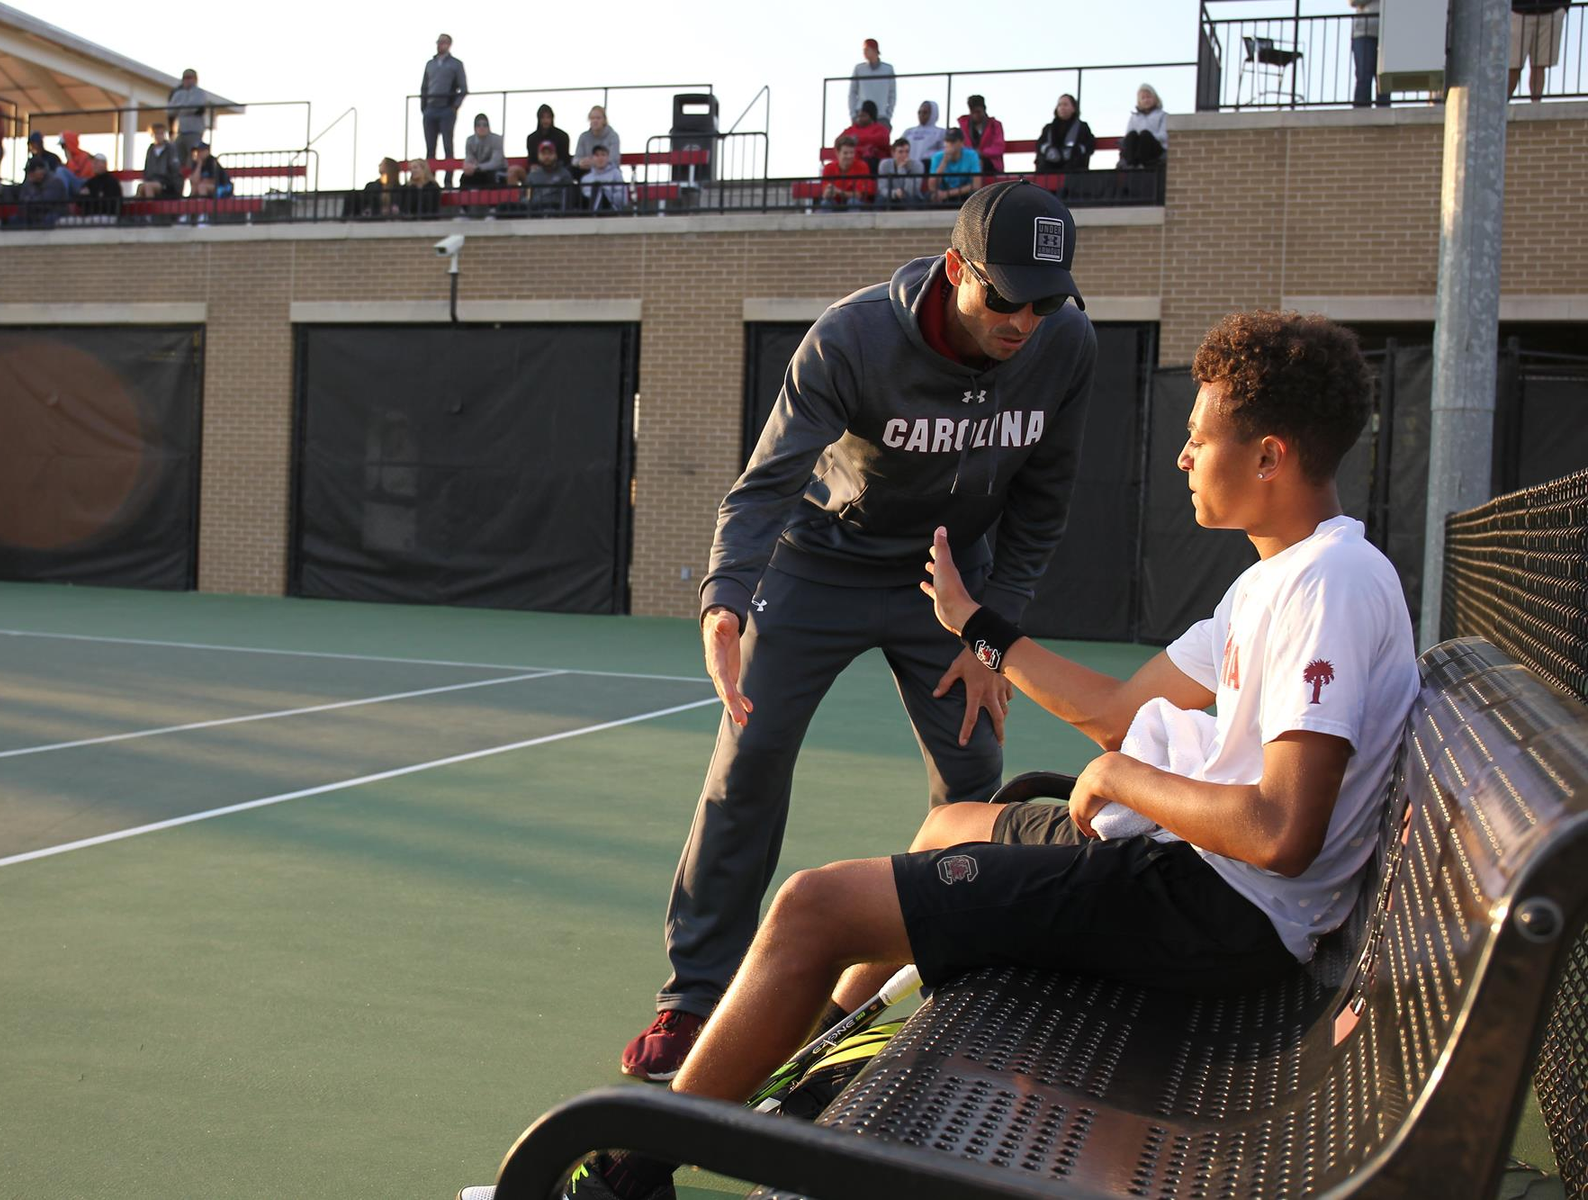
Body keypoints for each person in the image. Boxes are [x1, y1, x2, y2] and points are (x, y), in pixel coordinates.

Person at [466, 310, 1416, 1200]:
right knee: (948, 824)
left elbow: (1283, 831)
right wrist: (978, 629)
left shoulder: (1327, 584)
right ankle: (813, 1085)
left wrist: (1131, 782)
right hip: (1196, 880)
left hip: (1218, 911)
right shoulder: (1278, 580)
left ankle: (627, 1181)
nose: (1183, 456)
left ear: (1269, 455)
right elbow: (1118, 714)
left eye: (1200, 440)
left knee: (811, 908)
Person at [617, 181, 1098, 1083]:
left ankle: (954, 992)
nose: (1025, 319)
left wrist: (992, 631)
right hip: (821, 564)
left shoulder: (1066, 345)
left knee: (974, 778)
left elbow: (1045, 500)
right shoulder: (853, 338)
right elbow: (767, 481)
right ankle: (693, 998)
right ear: (958, 271)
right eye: (1006, 296)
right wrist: (725, 599)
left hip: (951, 580)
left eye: (1046, 299)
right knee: (747, 759)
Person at [421, 34, 468, 181]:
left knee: (448, 145)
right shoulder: (430, 64)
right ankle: (430, 180)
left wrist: (454, 106)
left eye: (443, 42)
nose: (440, 45)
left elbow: (463, 88)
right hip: (430, 109)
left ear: (449, 44)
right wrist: (423, 106)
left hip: (446, 109)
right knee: (430, 148)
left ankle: (448, 180)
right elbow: (424, 86)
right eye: (439, 42)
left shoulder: (456, 64)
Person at [1510, 0, 1570, 102]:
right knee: (1513, 66)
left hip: (1551, 10)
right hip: (1518, 12)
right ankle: (1502, 107)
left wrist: (1563, 8)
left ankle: (1535, 106)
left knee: (1539, 65)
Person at [508, 104, 571, 186]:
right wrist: (534, 166)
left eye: (548, 117)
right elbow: (531, 160)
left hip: (557, 170)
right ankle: (521, 197)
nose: (546, 121)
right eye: (543, 118)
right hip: (536, 172)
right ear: (538, 119)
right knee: (513, 171)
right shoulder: (531, 138)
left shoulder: (563, 136)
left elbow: (566, 159)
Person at [1035, 94, 1095, 172]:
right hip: (1049, 169)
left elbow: (1090, 144)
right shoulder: (1048, 128)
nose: (1062, 108)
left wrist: (1077, 150)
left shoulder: (1082, 127)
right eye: (1059, 105)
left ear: (1073, 108)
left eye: (1065, 105)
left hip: (1074, 171)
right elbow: (1040, 145)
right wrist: (1047, 150)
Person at [1350, 1, 1391, 108]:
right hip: (1363, 32)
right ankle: (1360, 115)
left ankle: (1383, 114)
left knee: (1384, 79)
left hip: (1386, 32)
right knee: (1363, 77)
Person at [168, 69, 212, 166]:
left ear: (195, 79)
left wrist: (180, 108)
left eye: (189, 78)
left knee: (193, 161)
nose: (187, 80)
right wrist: (186, 108)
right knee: (177, 161)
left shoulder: (199, 93)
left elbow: (195, 107)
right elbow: (170, 110)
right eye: (185, 78)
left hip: (195, 132)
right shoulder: (178, 93)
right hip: (180, 132)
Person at [818, 134, 875, 210]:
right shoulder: (828, 168)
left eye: (852, 153)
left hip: (857, 204)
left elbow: (859, 195)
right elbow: (824, 193)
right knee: (825, 203)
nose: (849, 156)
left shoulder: (862, 166)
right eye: (845, 153)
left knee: (853, 202)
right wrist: (828, 193)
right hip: (835, 203)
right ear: (837, 153)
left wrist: (838, 192)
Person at [926, 128, 982, 205]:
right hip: (942, 195)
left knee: (975, 195)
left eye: (953, 141)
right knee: (930, 196)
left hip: (963, 195)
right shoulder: (937, 157)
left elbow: (976, 185)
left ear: (962, 143)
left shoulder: (972, 155)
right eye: (947, 141)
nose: (949, 144)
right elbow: (932, 187)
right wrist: (944, 162)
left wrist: (947, 194)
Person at [848, 37, 896, 128]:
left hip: (881, 116)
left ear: (874, 50)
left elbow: (892, 94)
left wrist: (888, 115)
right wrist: (853, 115)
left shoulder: (888, 69)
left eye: (867, 49)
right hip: (861, 115)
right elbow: (852, 93)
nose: (864, 52)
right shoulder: (859, 69)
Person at [1118, 84, 1168, 169]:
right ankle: (1131, 164)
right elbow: (1128, 136)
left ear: (1155, 98)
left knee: (1145, 135)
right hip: (1136, 148)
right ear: (1139, 101)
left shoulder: (1163, 115)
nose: (1146, 100)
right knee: (1132, 135)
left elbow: (1164, 135)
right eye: (1143, 98)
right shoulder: (1134, 117)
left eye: (1148, 97)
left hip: (1155, 149)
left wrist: (1146, 136)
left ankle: (1142, 163)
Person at [958, 94, 1006, 174]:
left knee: (978, 164)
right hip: (968, 161)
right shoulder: (964, 125)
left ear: (984, 109)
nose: (976, 115)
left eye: (978, 112)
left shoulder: (995, 125)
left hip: (990, 162)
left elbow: (999, 146)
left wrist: (981, 153)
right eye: (973, 112)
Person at [521, 140, 575, 212]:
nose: (547, 157)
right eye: (543, 154)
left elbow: (569, 198)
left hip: (557, 210)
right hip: (535, 211)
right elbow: (526, 197)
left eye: (550, 153)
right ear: (538, 156)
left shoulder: (564, 174)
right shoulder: (532, 176)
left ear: (555, 155)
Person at [14, 158, 69, 227]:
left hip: (53, 213)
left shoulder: (54, 182)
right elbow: (22, 201)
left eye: (32, 171)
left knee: (48, 219)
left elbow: (45, 202)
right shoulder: (29, 183)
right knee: (14, 219)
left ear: (40, 170)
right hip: (34, 214)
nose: (29, 175)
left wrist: (29, 200)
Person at [838, 100, 892, 167]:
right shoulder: (851, 129)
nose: (859, 119)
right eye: (859, 116)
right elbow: (839, 141)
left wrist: (859, 139)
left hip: (872, 163)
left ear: (871, 117)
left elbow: (883, 140)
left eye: (863, 116)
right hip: (851, 163)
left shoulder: (880, 129)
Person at [573, 105, 621, 179]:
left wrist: (595, 162)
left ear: (604, 120)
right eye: (592, 118)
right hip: (588, 172)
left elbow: (614, 160)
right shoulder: (583, 136)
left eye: (598, 118)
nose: (595, 121)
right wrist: (580, 162)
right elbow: (575, 159)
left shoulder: (613, 136)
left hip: (608, 172)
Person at [875, 136, 925, 207]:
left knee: (909, 199)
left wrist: (902, 169)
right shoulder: (885, 164)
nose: (904, 155)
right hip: (892, 196)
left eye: (907, 152)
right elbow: (882, 188)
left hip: (911, 198)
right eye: (900, 152)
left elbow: (911, 191)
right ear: (893, 153)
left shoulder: (918, 166)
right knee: (881, 200)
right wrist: (895, 193)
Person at [138, 122, 183, 199]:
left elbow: (175, 168)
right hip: (152, 180)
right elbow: (147, 169)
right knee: (141, 187)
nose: (158, 136)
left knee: (148, 187)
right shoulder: (150, 150)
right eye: (156, 133)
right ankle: (141, 209)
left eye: (161, 133)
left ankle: (151, 209)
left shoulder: (171, 149)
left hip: (167, 183)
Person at [579, 144, 629, 212]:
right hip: (590, 211)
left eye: (603, 155)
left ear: (608, 157)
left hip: (611, 210)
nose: (600, 158)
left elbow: (623, 198)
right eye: (597, 155)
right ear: (592, 158)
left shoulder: (616, 174)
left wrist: (606, 193)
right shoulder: (586, 178)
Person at [460, 114, 507, 186]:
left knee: (492, 176)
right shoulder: (470, 140)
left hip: (497, 170)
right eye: (478, 125)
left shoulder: (497, 139)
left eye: (485, 125)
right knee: (465, 178)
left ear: (489, 127)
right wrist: (468, 166)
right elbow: (469, 157)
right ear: (474, 127)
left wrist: (478, 167)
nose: (482, 127)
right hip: (478, 171)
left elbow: (495, 162)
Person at [75, 154, 122, 219]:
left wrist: (89, 196)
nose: (94, 165)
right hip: (90, 217)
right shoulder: (91, 182)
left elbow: (107, 205)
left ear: (104, 164)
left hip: (107, 217)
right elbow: (79, 201)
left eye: (96, 162)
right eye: (93, 162)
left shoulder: (112, 182)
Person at [901, 99, 945, 164]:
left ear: (933, 113)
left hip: (929, 168)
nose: (921, 115)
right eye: (919, 112)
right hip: (908, 168)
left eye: (925, 112)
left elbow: (944, 152)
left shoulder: (941, 132)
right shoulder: (908, 132)